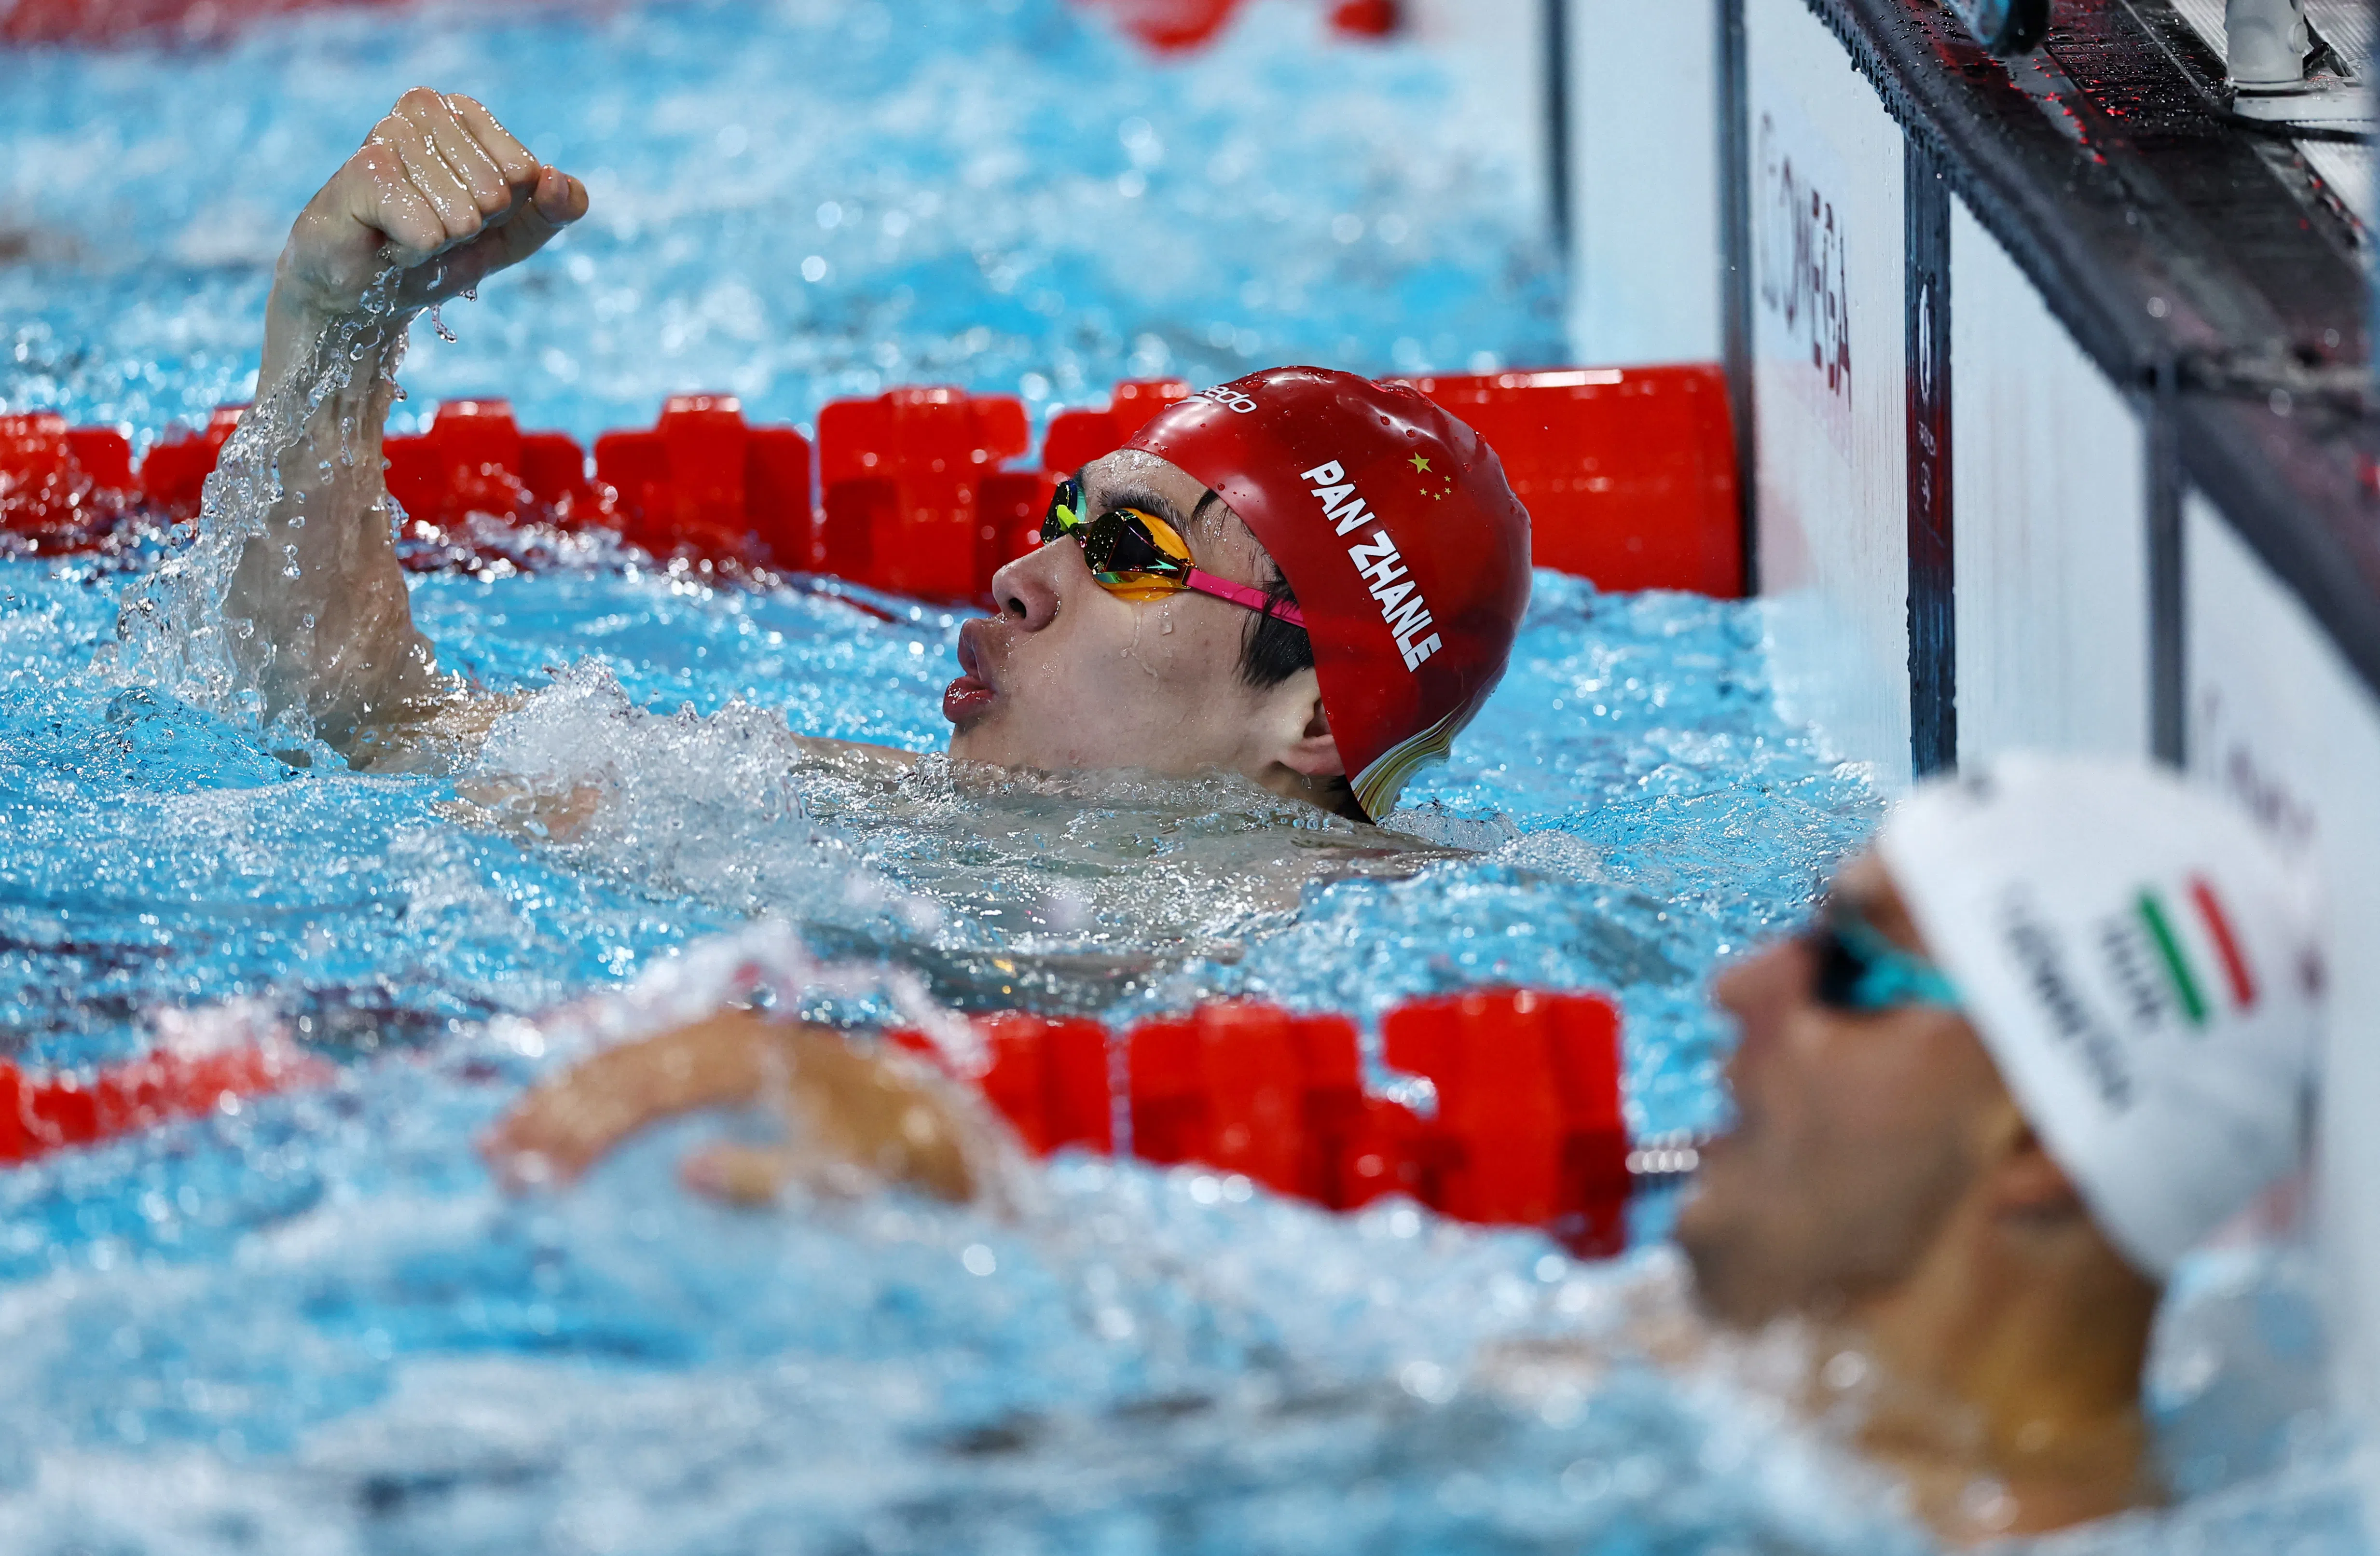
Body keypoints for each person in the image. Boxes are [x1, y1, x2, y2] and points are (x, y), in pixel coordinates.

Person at [485, 753, 2325, 1542]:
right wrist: (969, 1172)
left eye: (1849, 966)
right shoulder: (1763, 1386)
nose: (1753, 982)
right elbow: (1328, 1363)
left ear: (2034, 1150)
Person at [211, 89, 1531, 824]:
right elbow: (358, 727)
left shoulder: (1386, 947)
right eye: (1067, 518)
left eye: (1129, 551)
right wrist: (337, 330)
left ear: (1310, 718)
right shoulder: (897, 827)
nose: (1018, 572)